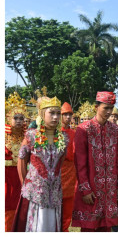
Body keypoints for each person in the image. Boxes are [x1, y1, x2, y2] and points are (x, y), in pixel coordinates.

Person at [13, 95, 68, 232]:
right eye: (52, 113)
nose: (55, 117)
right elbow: (21, 161)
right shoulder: (31, 135)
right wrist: (26, 183)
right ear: (42, 114)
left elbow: (60, 163)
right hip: (34, 193)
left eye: (58, 113)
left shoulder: (63, 138)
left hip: (54, 191)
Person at [72, 91, 118, 232]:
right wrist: (85, 189)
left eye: (111, 108)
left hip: (109, 188)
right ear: (96, 107)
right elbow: (79, 163)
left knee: (106, 227)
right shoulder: (83, 129)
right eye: (105, 108)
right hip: (91, 188)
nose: (108, 112)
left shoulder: (115, 130)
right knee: (88, 227)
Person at [5, 92, 28, 231]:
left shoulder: (27, 137)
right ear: (8, 118)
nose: (19, 120)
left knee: (21, 208)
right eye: (15, 118)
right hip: (6, 180)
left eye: (21, 118)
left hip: (22, 178)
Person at [60, 102, 77, 232]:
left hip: (71, 173)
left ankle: (64, 229)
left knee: (68, 206)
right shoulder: (54, 132)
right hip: (59, 172)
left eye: (69, 115)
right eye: (64, 114)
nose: (67, 117)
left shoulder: (73, 133)